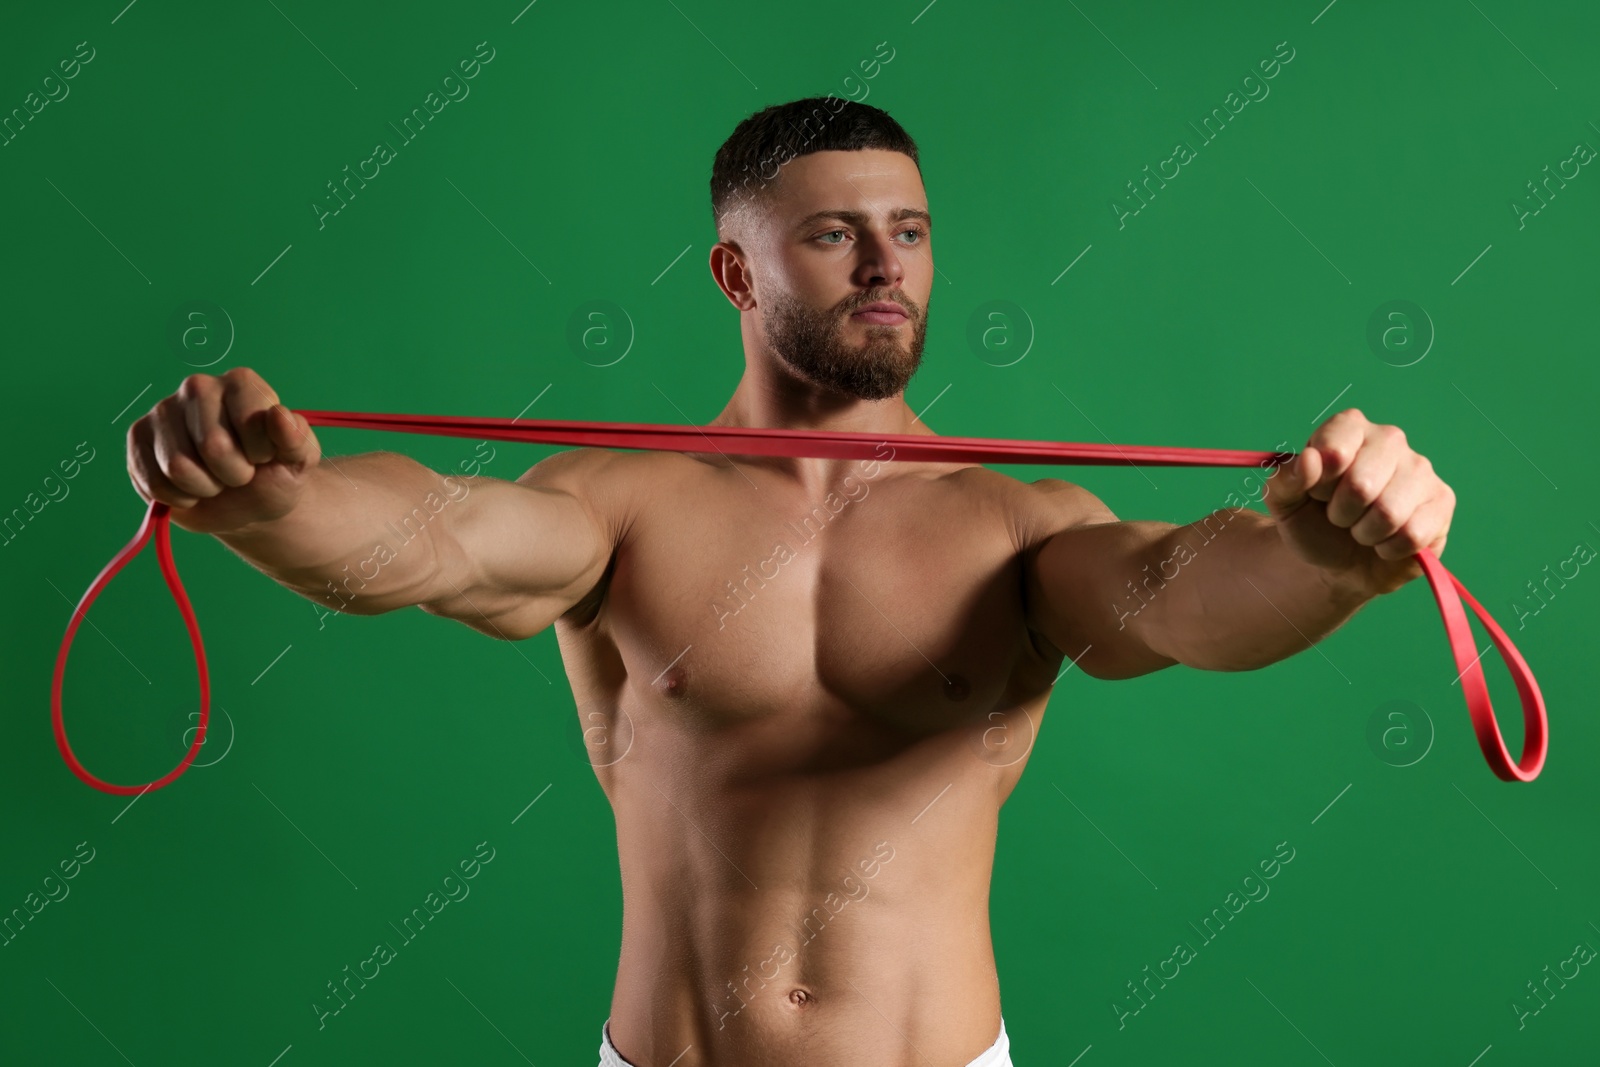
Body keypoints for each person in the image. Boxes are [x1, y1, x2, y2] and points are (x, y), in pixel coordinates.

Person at [124, 97, 1455, 1067]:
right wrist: (275, 500)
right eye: (834, 234)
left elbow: (1171, 597)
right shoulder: (618, 503)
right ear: (734, 271)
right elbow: (436, 539)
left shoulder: (1015, 522)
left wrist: (1320, 558)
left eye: (912, 231)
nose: (887, 265)